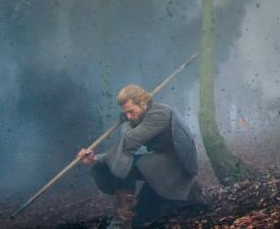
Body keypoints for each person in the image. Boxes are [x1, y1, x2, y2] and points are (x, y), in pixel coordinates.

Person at [77, 85, 202, 228]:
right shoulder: (144, 114)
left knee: (126, 166)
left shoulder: (159, 114)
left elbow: (129, 142)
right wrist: (95, 159)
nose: (129, 116)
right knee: (139, 218)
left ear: (143, 103)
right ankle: (192, 195)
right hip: (160, 169)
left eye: (131, 111)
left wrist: (125, 122)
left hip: (173, 169)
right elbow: (123, 149)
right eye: (125, 113)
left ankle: (120, 224)